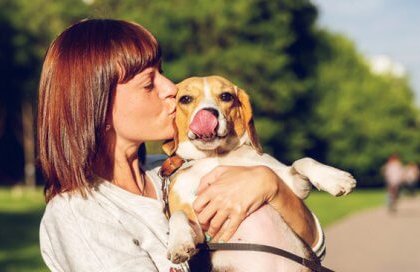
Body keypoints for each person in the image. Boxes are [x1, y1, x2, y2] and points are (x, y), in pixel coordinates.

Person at [36, 19, 325, 272]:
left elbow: (313, 249)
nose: (171, 88)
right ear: (96, 105)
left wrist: (270, 186)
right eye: (149, 83)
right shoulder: (79, 214)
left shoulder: (174, 169)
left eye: (162, 72)